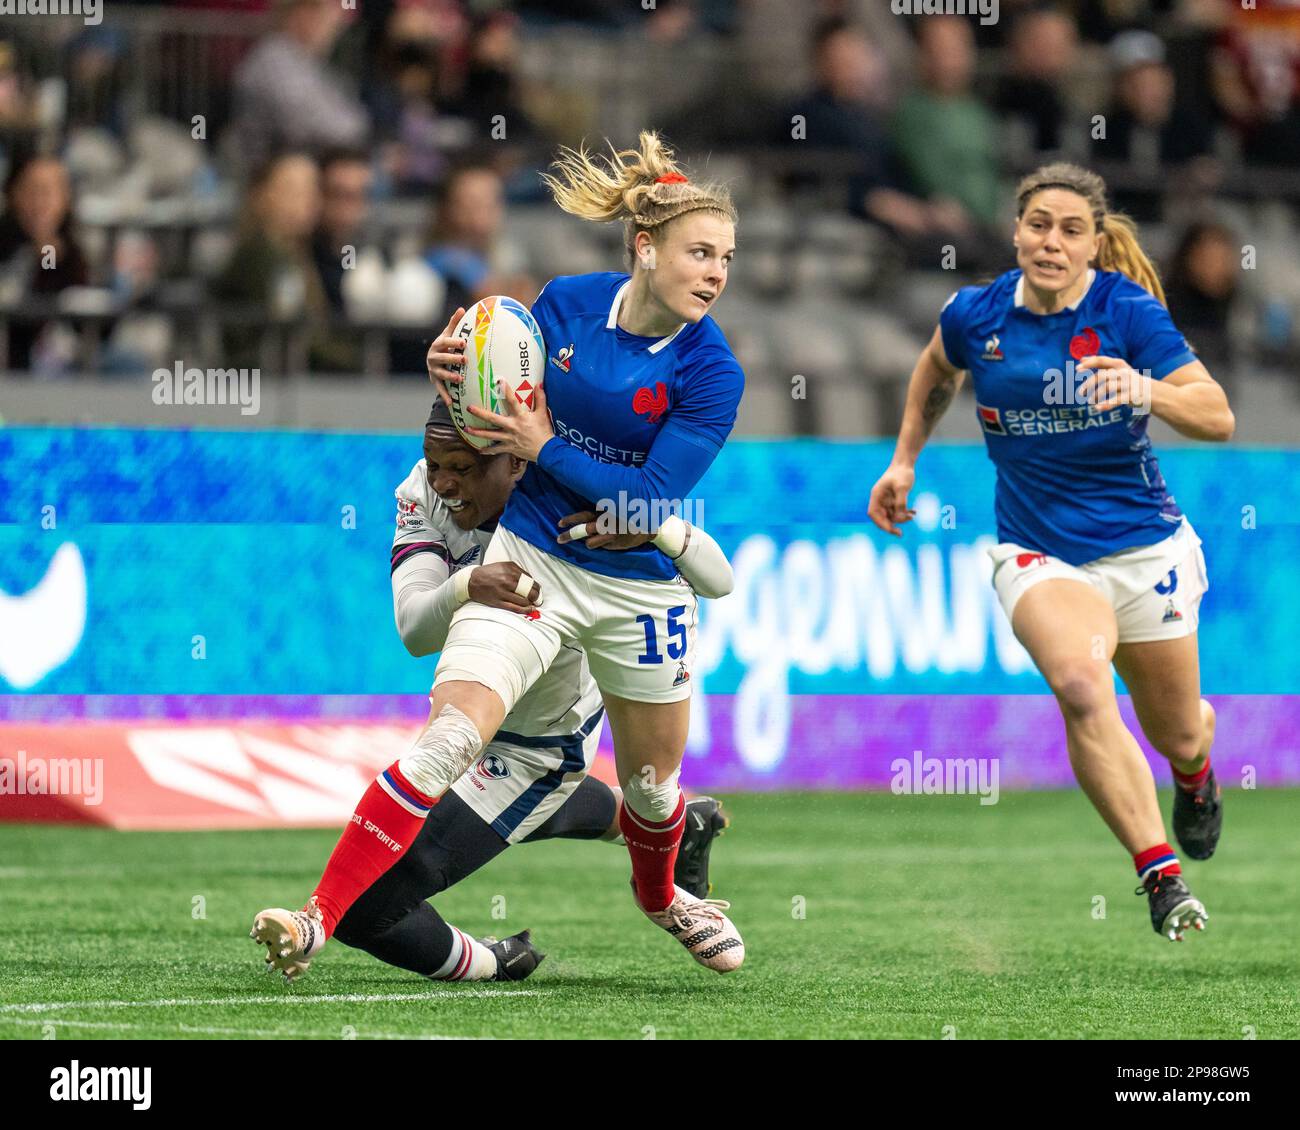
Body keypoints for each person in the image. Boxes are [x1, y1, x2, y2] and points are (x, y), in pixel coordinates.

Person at [253, 131, 747, 977]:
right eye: (700, 253)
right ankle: (314, 921)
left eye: (726, 258)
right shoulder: (560, 305)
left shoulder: (714, 372)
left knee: (654, 790)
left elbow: (646, 500)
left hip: (639, 589)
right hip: (537, 559)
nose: (715, 273)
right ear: (645, 247)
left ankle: (663, 896)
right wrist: (449, 363)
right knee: (447, 738)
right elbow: (491, 395)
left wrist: (547, 447)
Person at [868, 162, 1235, 943]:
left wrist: (1148, 390)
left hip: (1144, 552)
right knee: (1077, 681)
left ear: (1095, 245)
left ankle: (1196, 773)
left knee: (1177, 731)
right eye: (1038, 224)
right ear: (1016, 231)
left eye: (1071, 230)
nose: (1051, 241)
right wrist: (905, 460)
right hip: (1040, 551)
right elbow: (937, 367)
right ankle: (1160, 874)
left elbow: (1217, 416)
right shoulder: (977, 314)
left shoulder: (1126, 312)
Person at [253, 399, 734, 983]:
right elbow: (414, 630)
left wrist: (657, 526)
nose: (446, 482)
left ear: (519, 463)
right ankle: (690, 825)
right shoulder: (421, 493)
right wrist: (467, 585)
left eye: (466, 466)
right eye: (436, 463)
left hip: (537, 746)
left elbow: (715, 575)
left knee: (368, 909)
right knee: (461, 759)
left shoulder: (577, 491)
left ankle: (495, 962)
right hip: (481, 710)